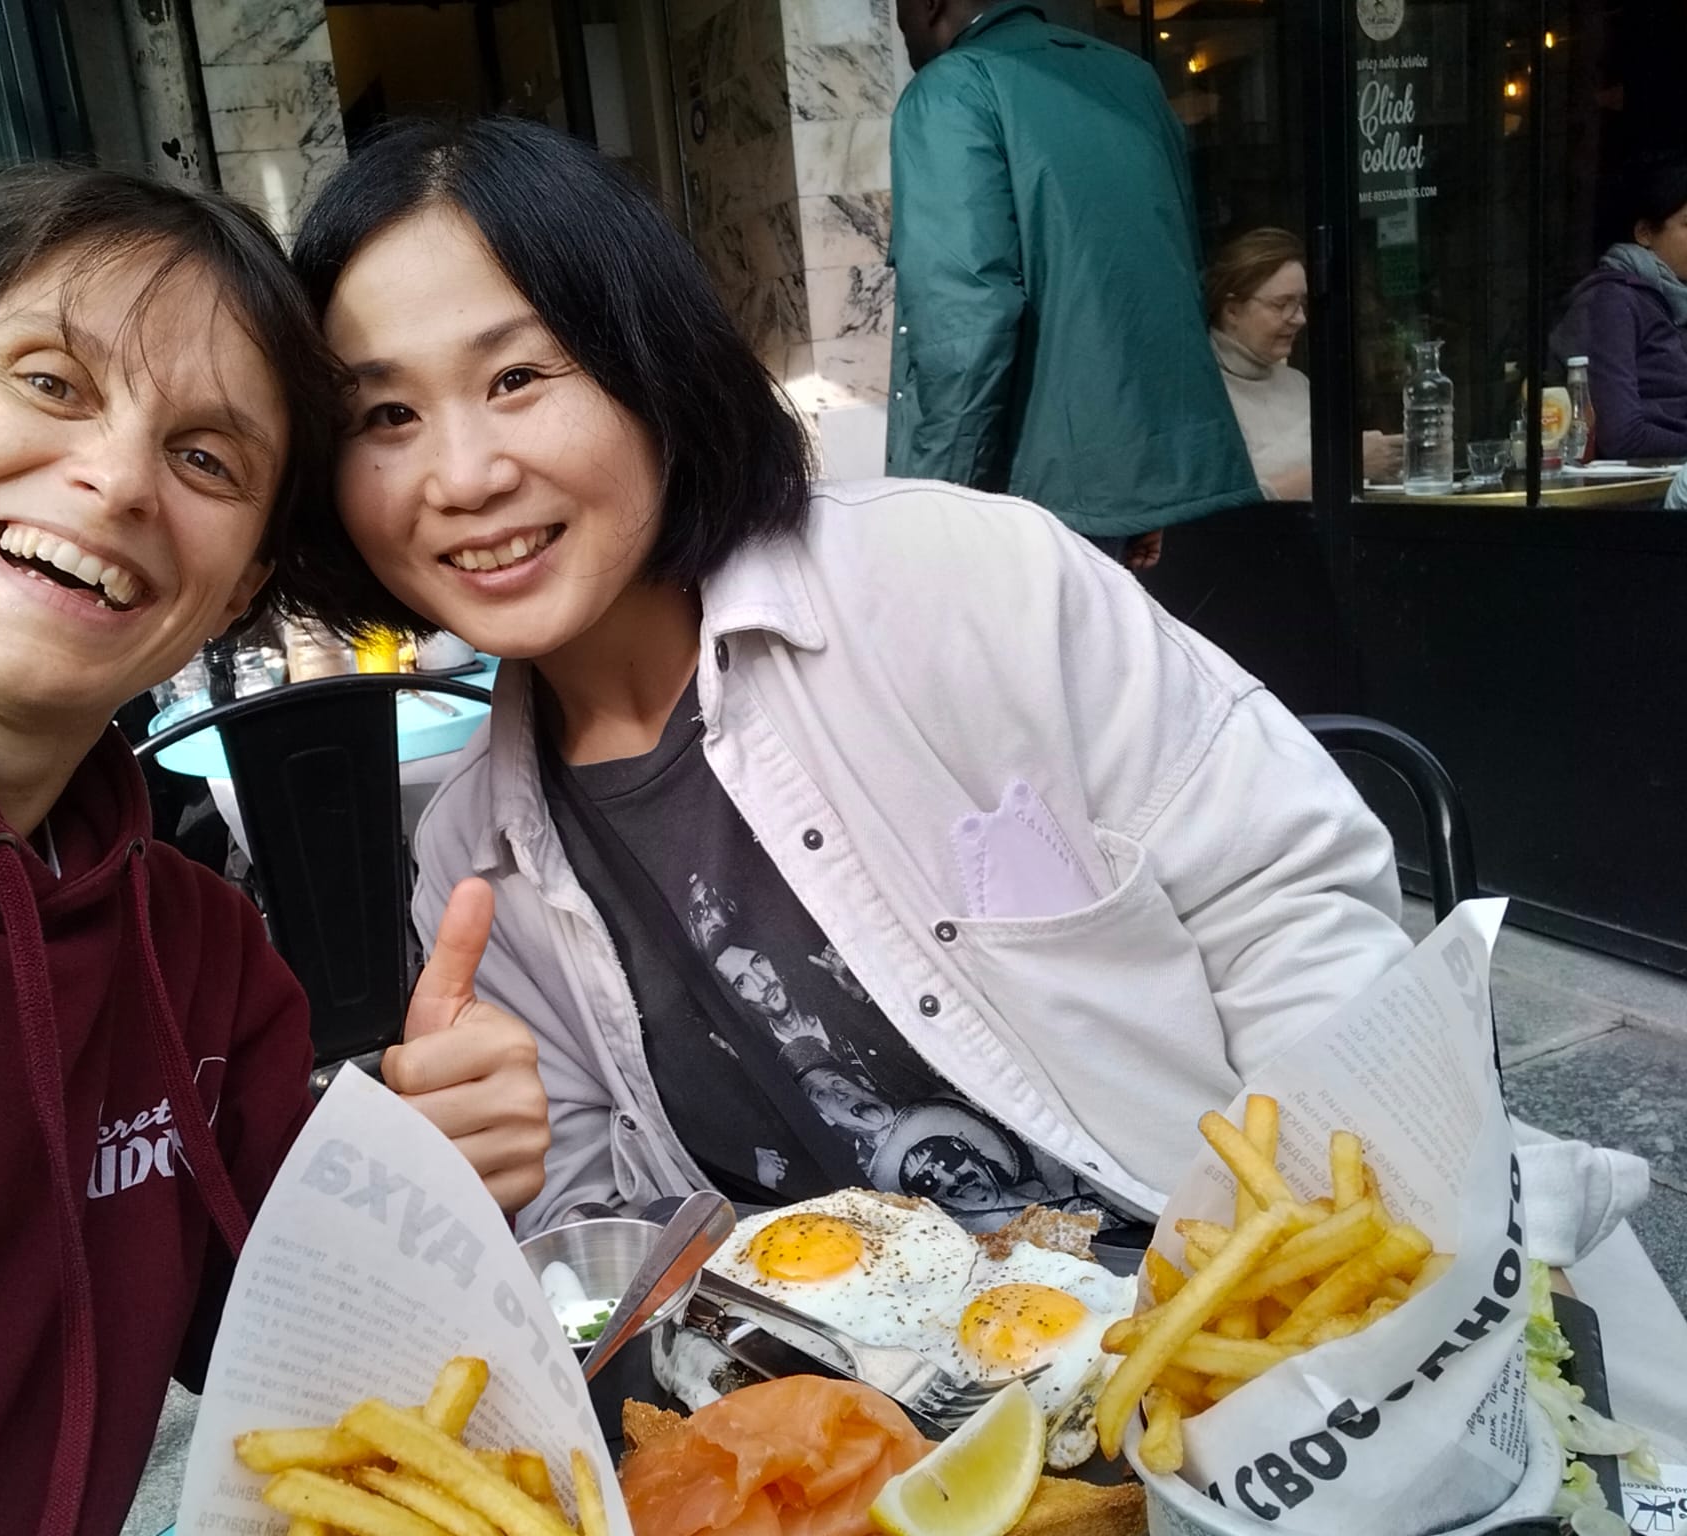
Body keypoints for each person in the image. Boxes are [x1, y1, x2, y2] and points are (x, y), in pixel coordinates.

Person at [289, 114, 1683, 1437]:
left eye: (517, 378)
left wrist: (1316, 1304)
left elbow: (1283, 900)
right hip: (872, 1444)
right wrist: (493, 1182)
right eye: (384, 415)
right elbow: (622, 1254)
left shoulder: (957, 577)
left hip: (1236, 1354)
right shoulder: (472, 855)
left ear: (650, 362)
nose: (459, 475)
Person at [0, 163, 549, 1534]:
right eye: (51, 382)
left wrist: (411, 1185)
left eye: (206, 459)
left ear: (239, 588)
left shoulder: (199, 959)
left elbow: (294, 1368)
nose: (118, 480)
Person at [884, 0, 1258, 571]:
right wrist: (1146, 494)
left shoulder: (951, 89)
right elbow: (1172, 270)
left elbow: (966, 328)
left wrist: (935, 517)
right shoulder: (1132, 79)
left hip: (1036, 506)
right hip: (1157, 485)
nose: (899, 25)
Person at [1204, 228, 1405, 498]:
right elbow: (1230, 502)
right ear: (1232, 311)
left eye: (1301, 304)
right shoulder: (1199, 394)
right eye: (1282, 304)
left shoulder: (1297, 384)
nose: (1300, 318)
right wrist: (1347, 463)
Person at [1554, 157, 1687, 459]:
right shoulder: (1612, 300)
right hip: (1642, 483)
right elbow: (1621, 435)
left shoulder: (1673, 299)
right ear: (1644, 233)